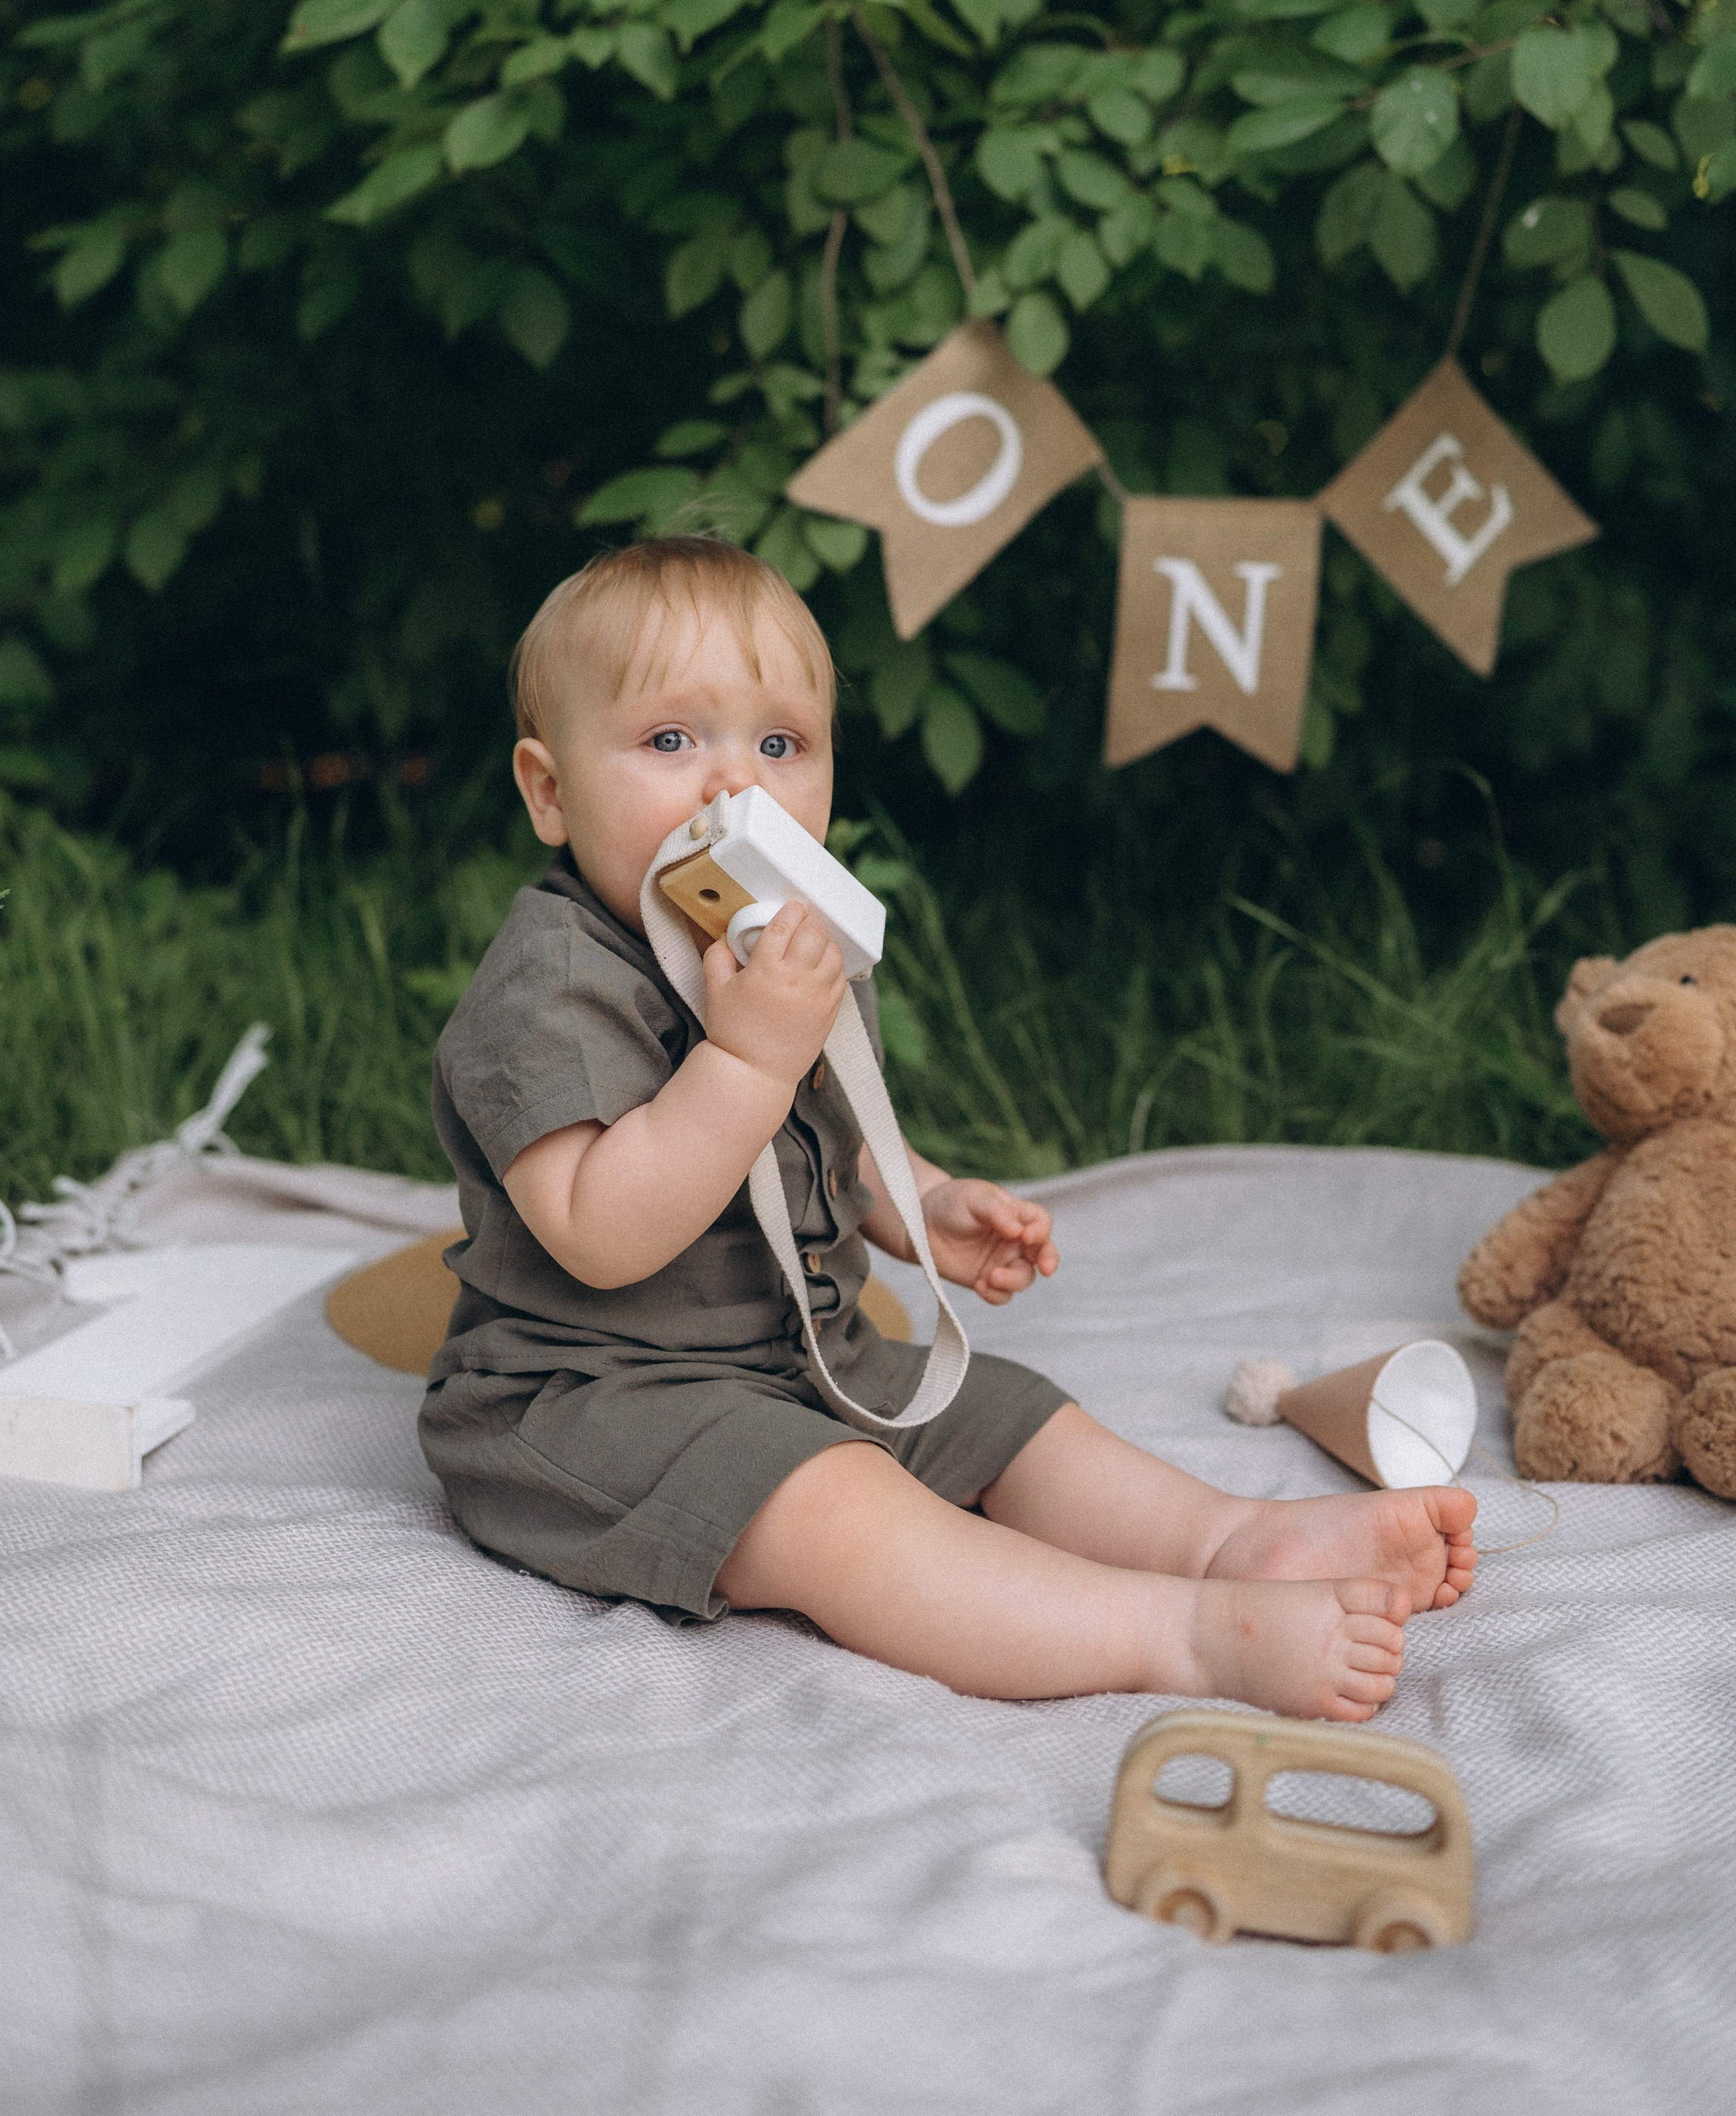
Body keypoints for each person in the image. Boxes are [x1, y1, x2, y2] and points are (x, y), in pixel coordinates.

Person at [420, 535, 1475, 1712]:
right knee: (836, 1506)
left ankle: (1232, 1543)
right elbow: (600, 1232)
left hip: (804, 1356)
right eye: (672, 741)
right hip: (595, 1403)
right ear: (550, 789)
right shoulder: (553, 985)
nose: (736, 788)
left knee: (1002, 1413)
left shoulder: (788, 941)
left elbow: (836, 1131)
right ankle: (1185, 1636)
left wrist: (920, 1202)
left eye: (781, 744)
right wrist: (745, 1054)